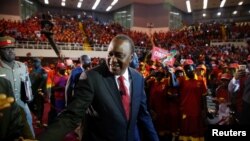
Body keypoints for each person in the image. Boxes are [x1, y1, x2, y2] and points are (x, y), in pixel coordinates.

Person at [38, 34, 159, 141]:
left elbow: (143, 115)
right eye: (110, 54)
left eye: (119, 55)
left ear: (131, 58)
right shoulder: (91, 77)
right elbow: (72, 115)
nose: (112, 60)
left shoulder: (138, 78)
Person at [0, 36, 35, 136]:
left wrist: (29, 97)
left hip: (22, 105)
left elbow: (27, 84)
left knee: (29, 131)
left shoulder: (22, 66)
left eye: (12, 48)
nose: (10, 51)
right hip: (4, 108)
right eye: (6, 49)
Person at [29, 58, 48, 127]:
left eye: (36, 62)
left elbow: (44, 81)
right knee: (29, 104)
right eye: (33, 62)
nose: (34, 63)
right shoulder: (32, 70)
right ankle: (37, 115)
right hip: (32, 91)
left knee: (40, 106)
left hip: (40, 91)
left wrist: (40, 90)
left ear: (39, 63)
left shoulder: (43, 71)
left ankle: (39, 121)